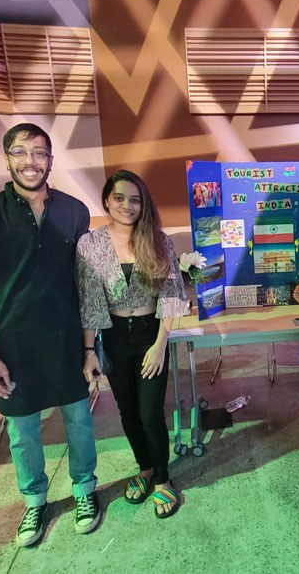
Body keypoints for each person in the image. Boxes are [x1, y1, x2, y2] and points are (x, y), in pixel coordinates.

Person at [0, 123, 100, 547]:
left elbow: (86, 282)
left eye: (39, 153)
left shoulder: (75, 212)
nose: (30, 161)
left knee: (79, 420)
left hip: (65, 339)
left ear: (51, 160)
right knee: (22, 431)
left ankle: (84, 491)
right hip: (13, 345)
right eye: (20, 153)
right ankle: (34, 500)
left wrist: (90, 346)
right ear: (7, 159)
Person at [77, 170, 189, 519]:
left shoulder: (158, 240)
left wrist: (160, 344)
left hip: (149, 333)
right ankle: (144, 468)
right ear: (107, 200)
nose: (127, 205)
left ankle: (162, 479)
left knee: (149, 411)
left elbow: (171, 294)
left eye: (135, 199)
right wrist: (88, 351)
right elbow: (89, 301)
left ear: (144, 205)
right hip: (112, 336)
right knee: (127, 411)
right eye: (120, 198)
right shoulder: (90, 243)